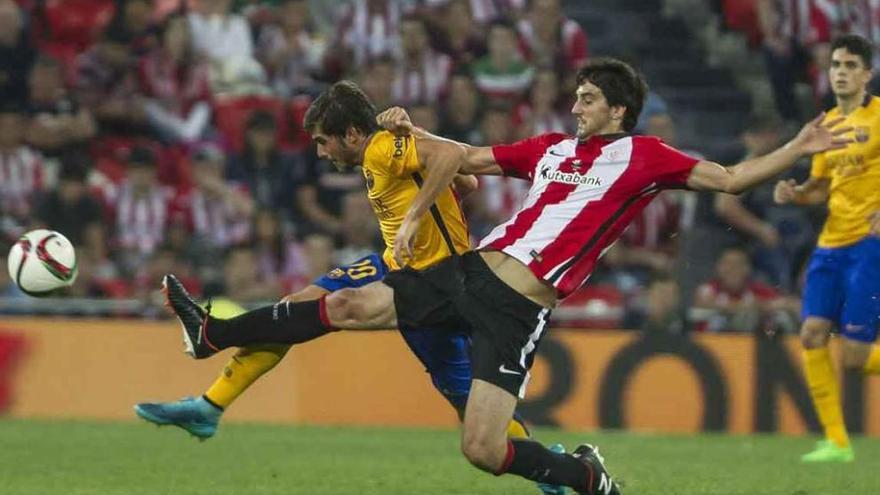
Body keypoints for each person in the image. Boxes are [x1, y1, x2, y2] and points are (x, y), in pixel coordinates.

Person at [159, 59, 849, 494]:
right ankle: (213, 332)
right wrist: (406, 130)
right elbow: (461, 157)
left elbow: (729, 179)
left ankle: (584, 474)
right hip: (467, 273)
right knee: (343, 305)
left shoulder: (645, 156)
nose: (575, 106)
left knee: (484, 449)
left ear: (617, 110)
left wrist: (797, 147)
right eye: (576, 96)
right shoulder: (548, 149)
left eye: (587, 99)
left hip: (517, 311)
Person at [135, 81, 547, 489]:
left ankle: (551, 470)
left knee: (472, 412)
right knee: (299, 306)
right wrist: (417, 136)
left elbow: (453, 157)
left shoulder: (383, 148)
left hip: (435, 284)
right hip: (394, 266)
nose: (320, 152)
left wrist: (415, 214)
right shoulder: (384, 150)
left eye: (323, 141)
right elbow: (466, 180)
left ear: (351, 133)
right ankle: (210, 404)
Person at [773, 34, 880, 463]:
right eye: (836, 63)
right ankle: (836, 442)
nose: (840, 71)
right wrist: (794, 193)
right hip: (831, 243)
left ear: (867, 74)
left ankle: (837, 441)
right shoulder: (827, 125)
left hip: (869, 246)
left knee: (854, 359)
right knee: (812, 333)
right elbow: (820, 188)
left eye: (851, 64)